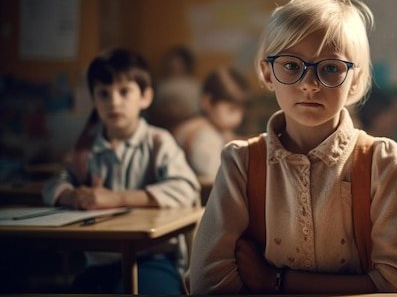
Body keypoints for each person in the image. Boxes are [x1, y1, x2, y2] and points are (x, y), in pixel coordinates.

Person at [187, 0, 397, 294]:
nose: (310, 83)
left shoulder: (383, 161)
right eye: (291, 66)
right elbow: (208, 284)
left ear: (354, 78)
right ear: (267, 73)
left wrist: (274, 281)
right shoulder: (242, 163)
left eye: (329, 68)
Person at [42, 48, 200, 294]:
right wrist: (72, 196)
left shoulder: (158, 141)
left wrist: (115, 199)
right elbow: (54, 184)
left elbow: (186, 188)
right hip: (100, 263)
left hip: (152, 259)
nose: (113, 102)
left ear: (146, 97)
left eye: (124, 92)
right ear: (94, 101)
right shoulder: (86, 148)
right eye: (103, 94)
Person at [173, 66, 250, 185]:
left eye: (241, 110)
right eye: (231, 109)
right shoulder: (203, 135)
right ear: (208, 102)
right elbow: (214, 176)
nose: (238, 117)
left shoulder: (216, 128)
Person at [149, 46, 202, 132]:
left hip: (188, 125)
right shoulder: (162, 85)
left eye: (178, 64)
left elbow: (196, 110)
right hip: (165, 125)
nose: (175, 67)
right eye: (172, 64)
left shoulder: (194, 85)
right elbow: (156, 109)